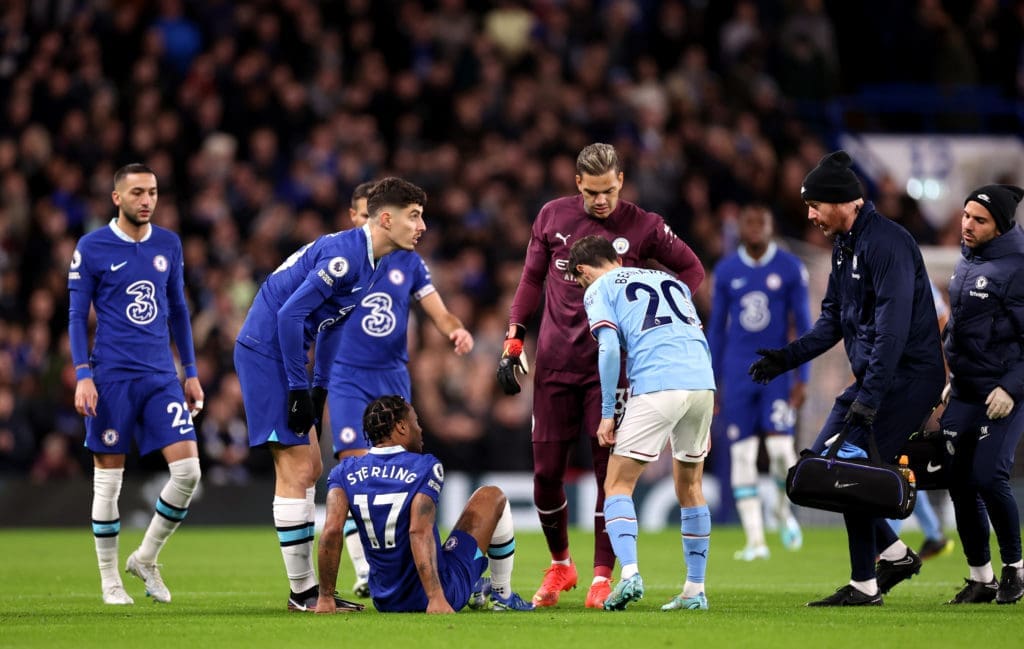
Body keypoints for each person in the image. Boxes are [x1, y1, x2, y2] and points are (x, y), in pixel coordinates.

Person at [499, 142, 705, 608]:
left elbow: (691, 269)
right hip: (553, 365)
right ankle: (561, 565)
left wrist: (667, 317)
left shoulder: (644, 225)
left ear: (621, 181)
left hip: (609, 373)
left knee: (606, 474)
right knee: (546, 475)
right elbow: (531, 279)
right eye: (592, 192)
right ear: (577, 184)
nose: (601, 201)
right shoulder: (552, 217)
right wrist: (514, 336)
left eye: (609, 191)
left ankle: (600, 576)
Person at [749, 150, 945, 606]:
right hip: (877, 379)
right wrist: (785, 358)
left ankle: (866, 583)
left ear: (845, 202)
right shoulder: (844, 246)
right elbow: (832, 321)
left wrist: (870, 398)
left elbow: (894, 332)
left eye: (816, 205)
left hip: (908, 379)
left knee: (846, 470)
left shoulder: (887, 244)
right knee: (816, 472)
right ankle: (892, 556)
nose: (811, 215)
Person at [234, 177, 426, 612]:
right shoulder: (344, 257)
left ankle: (304, 591)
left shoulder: (373, 261)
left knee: (314, 464)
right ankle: (303, 593)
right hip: (267, 351)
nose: (422, 226)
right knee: (298, 469)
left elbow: (332, 325)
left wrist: (319, 386)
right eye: (414, 216)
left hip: (286, 354)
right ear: (386, 218)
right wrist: (298, 387)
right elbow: (288, 316)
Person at [323, 180, 474, 598]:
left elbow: (439, 312)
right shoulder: (340, 258)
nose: (358, 220)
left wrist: (456, 331)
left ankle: (421, 565)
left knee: (409, 470)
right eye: (354, 214)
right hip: (347, 375)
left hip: (392, 376)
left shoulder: (408, 262)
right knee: (357, 467)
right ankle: (365, 568)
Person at [69, 163, 204, 605]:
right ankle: (110, 579)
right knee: (109, 483)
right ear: (117, 198)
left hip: (161, 377)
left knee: (188, 472)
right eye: (137, 193)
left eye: (153, 192)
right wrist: (83, 375)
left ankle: (146, 557)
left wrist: (191, 373)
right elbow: (75, 317)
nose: (147, 200)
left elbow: (179, 312)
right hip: (111, 378)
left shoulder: (169, 243)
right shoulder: (92, 247)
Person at [568, 235, 715, 611]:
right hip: (701, 382)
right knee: (691, 486)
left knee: (617, 483)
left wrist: (606, 412)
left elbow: (608, 347)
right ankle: (694, 590)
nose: (583, 286)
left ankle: (630, 574)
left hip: (657, 382)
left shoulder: (598, 287)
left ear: (583, 270)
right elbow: (695, 334)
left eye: (579, 279)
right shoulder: (671, 281)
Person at [315, 395, 534, 613]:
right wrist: (436, 598)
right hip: (439, 594)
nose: (420, 430)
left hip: (385, 600)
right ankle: (502, 595)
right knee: (491, 496)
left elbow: (332, 531)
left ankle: (475, 588)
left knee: (445, 550)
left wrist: (325, 598)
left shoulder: (343, 472)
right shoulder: (424, 466)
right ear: (401, 427)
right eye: (416, 422)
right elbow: (418, 531)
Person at [707, 204, 811, 561]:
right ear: (739, 228)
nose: (754, 227)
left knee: (783, 453)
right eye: (748, 222)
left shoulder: (789, 267)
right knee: (742, 455)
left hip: (777, 373)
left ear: (771, 226)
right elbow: (716, 329)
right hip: (736, 375)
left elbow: (805, 324)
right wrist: (712, 379)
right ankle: (755, 540)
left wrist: (803, 375)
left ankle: (783, 514)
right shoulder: (726, 270)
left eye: (760, 221)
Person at [941, 184, 1024, 605]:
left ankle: (1015, 569)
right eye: (966, 215)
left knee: (989, 476)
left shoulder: (1019, 266)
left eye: (979, 220)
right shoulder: (969, 258)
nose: (967, 225)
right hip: (965, 390)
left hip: (1003, 393)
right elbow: (960, 326)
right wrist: (950, 374)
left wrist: (1011, 387)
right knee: (958, 484)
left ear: (1000, 226)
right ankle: (981, 578)